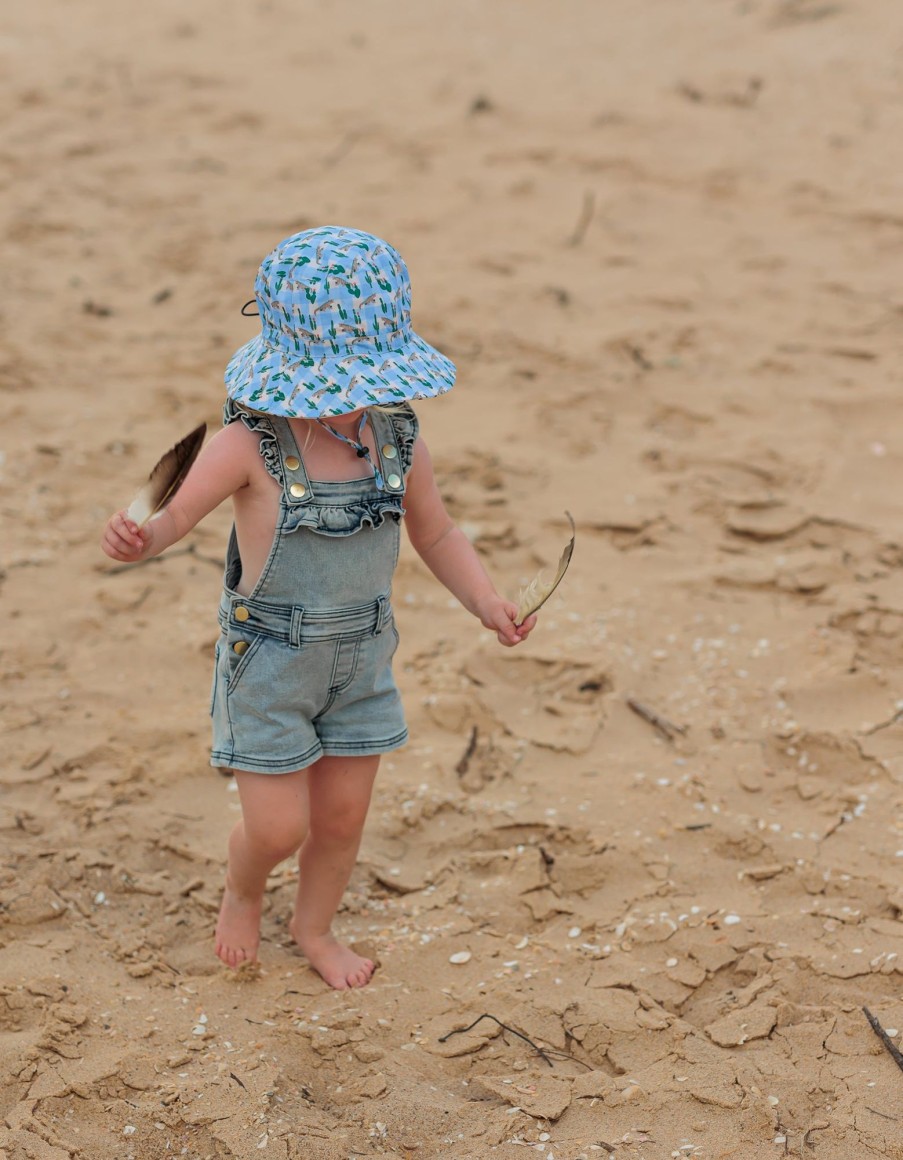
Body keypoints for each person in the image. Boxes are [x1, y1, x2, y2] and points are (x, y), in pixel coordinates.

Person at [101, 225, 537, 990]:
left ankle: (314, 927)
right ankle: (243, 889)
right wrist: (142, 538)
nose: (356, 396)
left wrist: (486, 600)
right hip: (270, 662)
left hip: (360, 659)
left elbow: (434, 532)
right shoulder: (247, 444)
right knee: (277, 826)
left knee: (339, 821)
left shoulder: (399, 438)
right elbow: (174, 517)